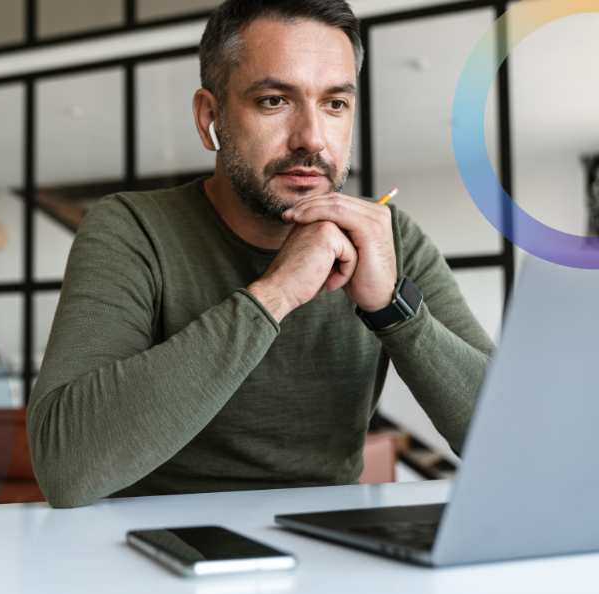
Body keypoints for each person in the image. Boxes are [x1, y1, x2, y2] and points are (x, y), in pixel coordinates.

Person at [28, 0, 493, 509]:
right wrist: (274, 295)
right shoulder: (132, 228)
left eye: (335, 104)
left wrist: (394, 311)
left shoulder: (388, 238)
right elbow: (65, 468)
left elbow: (511, 446)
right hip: (155, 552)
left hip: (331, 550)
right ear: (211, 116)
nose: (312, 138)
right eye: (274, 100)